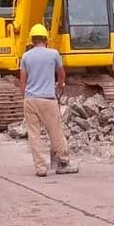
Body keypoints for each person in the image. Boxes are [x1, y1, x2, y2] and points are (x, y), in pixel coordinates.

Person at [19, 23, 78, 177]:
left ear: (32, 40)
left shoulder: (26, 56)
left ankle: (40, 168)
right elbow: (61, 74)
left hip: (30, 99)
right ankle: (63, 162)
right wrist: (59, 85)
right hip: (48, 99)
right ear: (46, 39)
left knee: (34, 135)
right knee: (55, 132)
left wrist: (24, 96)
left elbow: (23, 81)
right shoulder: (53, 54)